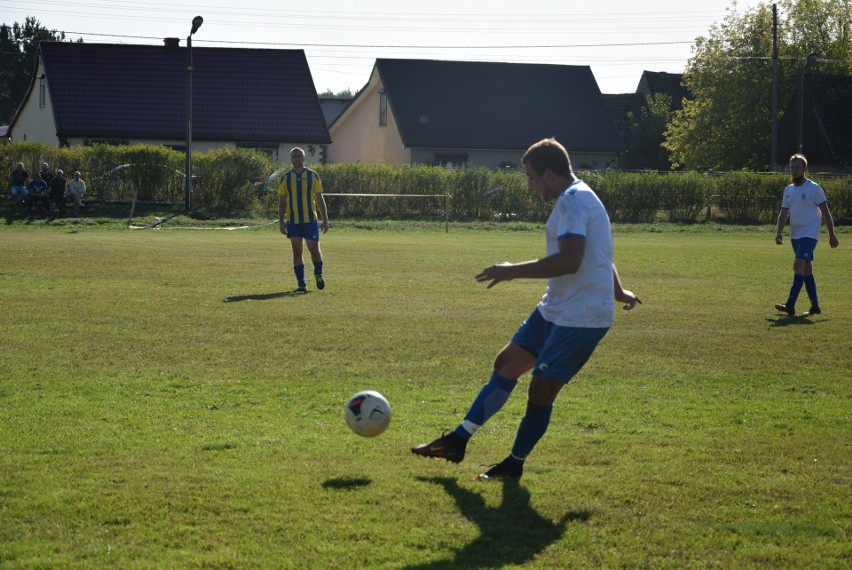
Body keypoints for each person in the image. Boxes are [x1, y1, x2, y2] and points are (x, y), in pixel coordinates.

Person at [411, 138, 642, 481]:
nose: (530, 185)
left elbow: (570, 260)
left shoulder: (573, 201)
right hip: (556, 308)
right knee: (506, 364)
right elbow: (600, 256)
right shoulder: (577, 196)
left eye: (531, 177)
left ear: (549, 174)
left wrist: (511, 270)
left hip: (581, 317)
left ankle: (513, 465)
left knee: (540, 391)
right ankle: (457, 442)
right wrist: (619, 291)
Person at [773, 153, 839, 317]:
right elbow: (783, 213)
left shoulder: (814, 188)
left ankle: (790, 305)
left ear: (804, 169)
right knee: (807, 269)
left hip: (810, 233)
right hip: (795, 234)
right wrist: (779, 232)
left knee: (798, 264)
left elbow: (826, 212)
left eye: (797, 167)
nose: (794, 171)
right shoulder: (788, 190)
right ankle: (815, 306)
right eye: (791, 167)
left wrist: (832, 234)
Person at [278, 147, 329, 292]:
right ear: (291, 159)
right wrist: (281, 221)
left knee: (314, 250)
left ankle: (318, 273)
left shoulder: (313, 175)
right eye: (294, 156)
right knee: (297, 252)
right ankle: (301, 284)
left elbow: (319, 198)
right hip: (293, 221)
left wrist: (325, 219)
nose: (296, 159)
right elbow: (282, 202)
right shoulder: (285, 178)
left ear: (304, 158)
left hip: (309, 221)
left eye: (299, 156)